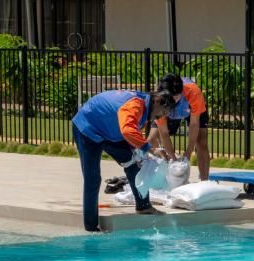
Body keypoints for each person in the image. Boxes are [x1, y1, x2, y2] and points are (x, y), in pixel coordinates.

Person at [72, 88, 177, 233]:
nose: (160, 117)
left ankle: (143, 206)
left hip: (110, 131)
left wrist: (138, 150)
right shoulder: (136, 104)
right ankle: (91, 227)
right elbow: (127, 130)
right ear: (158, 101)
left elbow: (129, 130)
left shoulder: (145, 107)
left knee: (133, 164)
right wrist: (149, 148)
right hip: (87, 129)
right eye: (163, 113)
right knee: (93, 178)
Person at [150, 73, 211, 181]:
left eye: (177, 97)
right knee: (151, 140)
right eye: (171, 98)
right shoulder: (158, 101)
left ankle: (204, 180)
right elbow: (164, 133)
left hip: (191, 110)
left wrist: (188, 151)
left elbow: (194, 124)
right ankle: (165, 176)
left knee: (201, 141)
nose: (175, 100)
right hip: (168, 110)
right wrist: (172, 157)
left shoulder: (193, 92)